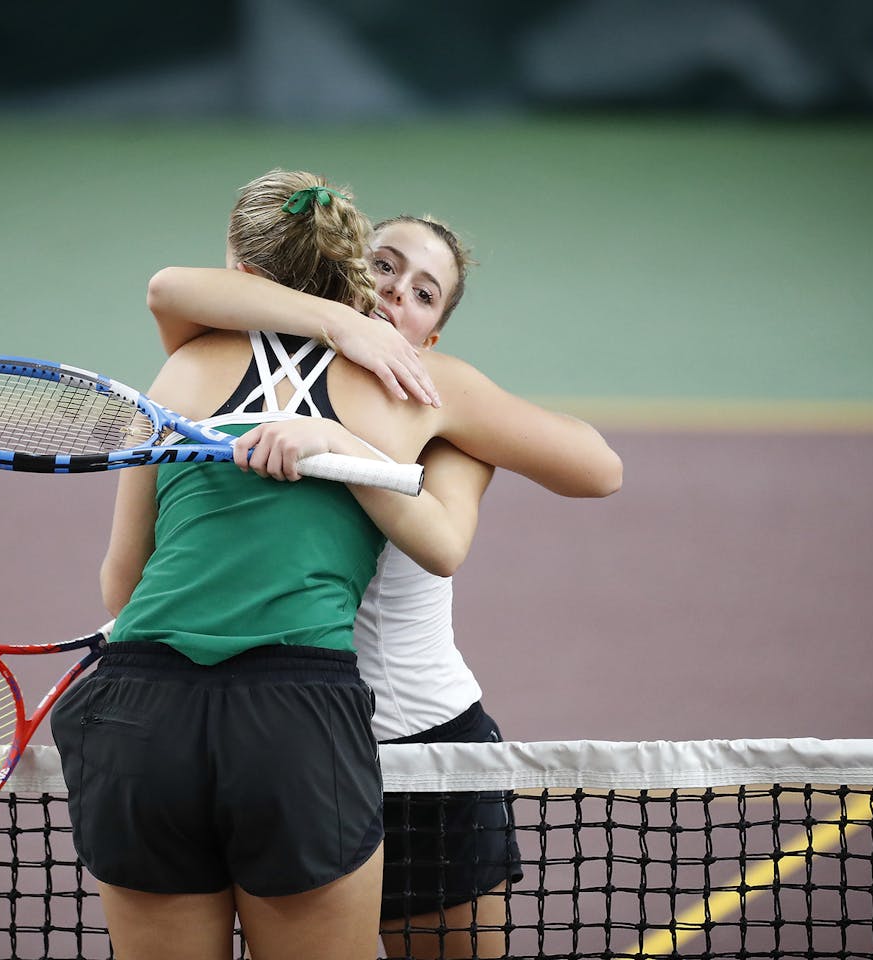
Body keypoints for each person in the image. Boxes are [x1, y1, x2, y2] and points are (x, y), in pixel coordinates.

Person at [142, 214, 622, 959]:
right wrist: (339, 324)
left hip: (417, 752)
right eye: (384, 265)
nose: (397, 291)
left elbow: (599, 470)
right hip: (272, 747)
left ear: (430, 335)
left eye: (424, 293)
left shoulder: (435, 394)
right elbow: (173, 288)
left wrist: (346, 450)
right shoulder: (248, 356)